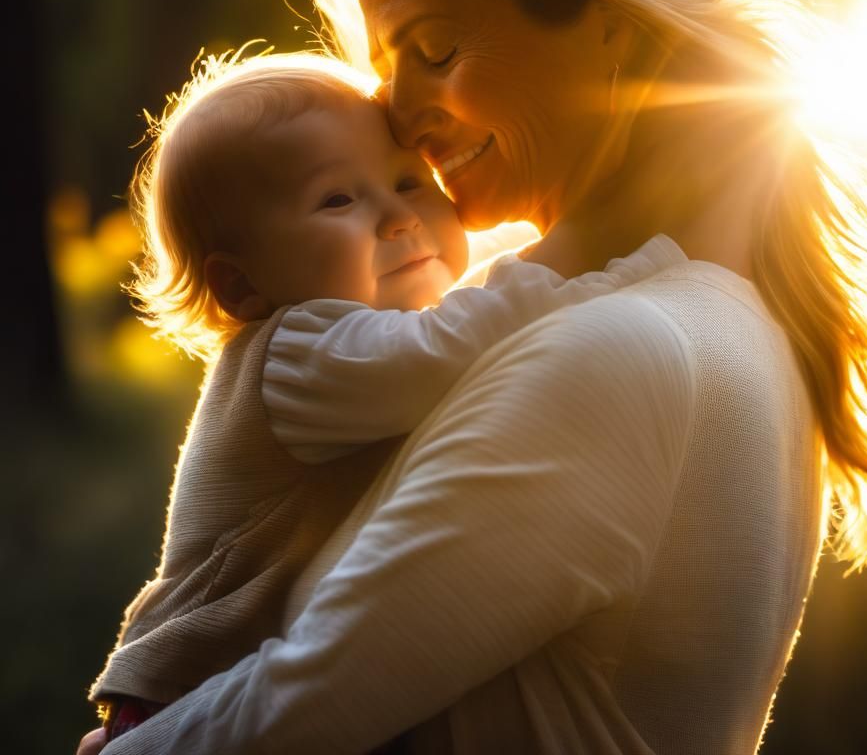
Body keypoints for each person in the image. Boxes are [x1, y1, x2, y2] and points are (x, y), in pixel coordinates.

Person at [82, 0, 867, 755]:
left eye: (433, 50)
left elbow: (303, 706)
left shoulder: (617, 352)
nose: (400, 113)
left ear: (606, 22)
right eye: (385, 72)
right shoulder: (718, 325)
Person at [84, 47, 683, 743]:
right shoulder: (295, 354)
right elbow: (449, 346)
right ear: (242, 285)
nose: (398, 218)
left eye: (408, 180)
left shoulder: (353, 343)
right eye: (338, 199)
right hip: (185, 694)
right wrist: (614, 263)